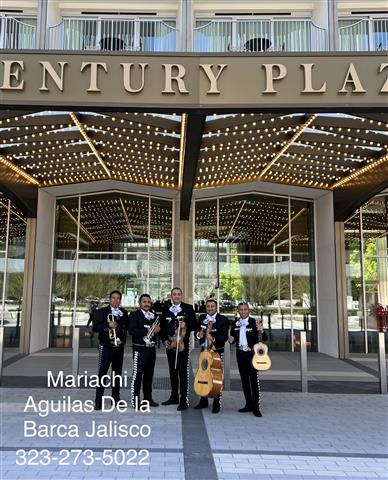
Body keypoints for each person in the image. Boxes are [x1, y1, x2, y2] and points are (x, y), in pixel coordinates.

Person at [229, 302, 267, 417]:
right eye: (241, 309)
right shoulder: (235, 323)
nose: (243, 311)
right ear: (238, 311)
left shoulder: (254, 322)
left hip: (252, 355)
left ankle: (256, 407)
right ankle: (248, 404)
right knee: (244, 381)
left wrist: (261, 330)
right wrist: (230, 339)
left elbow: (264, 338)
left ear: (248, 310)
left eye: (245, 309)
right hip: (240, 354)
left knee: (253, 381)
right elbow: (233, 339)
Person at [160, 287, 196, 411]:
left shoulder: (188, 308)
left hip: (182, 345)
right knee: (172, 371)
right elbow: (162, 328)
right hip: (170, 344)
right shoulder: (165, 309)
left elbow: (195, 326)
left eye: (179, 294)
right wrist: (164, 339)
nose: (176, 296)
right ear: (171, 296)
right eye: (174, 294)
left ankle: (183, 399)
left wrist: (186, 325)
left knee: (183, 372)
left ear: (182, 296)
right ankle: (174, 396)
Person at [93, 290, 128, 410]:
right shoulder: (101, 312)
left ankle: (115, 399)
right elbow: (95, 328)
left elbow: (126, 328)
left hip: (119, 347)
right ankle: (98, 401)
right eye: (113, 298)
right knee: (102, 374)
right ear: (109, 299)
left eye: (118, 298)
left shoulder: (123, 312)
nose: (116, 300)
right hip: (106, 347)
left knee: (117, 374)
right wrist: (108, 326)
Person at [194, 298, 229, 414]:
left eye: (212, 306)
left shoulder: (223, 319)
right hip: (204, 352)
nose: (210, 308)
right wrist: (199, 335)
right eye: (208, 306)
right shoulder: (201, 318)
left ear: (216, 307)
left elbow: (224, 337)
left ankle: (216, 403)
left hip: (217, 353)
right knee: (203, 374)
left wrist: (212, 338)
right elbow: (197, 333)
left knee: (217, 378)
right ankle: (203, 401)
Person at [128, 294, 161, 408]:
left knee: (149, 376)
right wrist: (148, 330)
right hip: (139, 349)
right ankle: (135, 400)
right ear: (139, 303)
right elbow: (132, 331)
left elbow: (158, 332)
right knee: (137, 375)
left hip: (151, 350)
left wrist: (158, 330)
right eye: (144, 302)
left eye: (148, 302)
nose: (146, 304)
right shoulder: (134, 315)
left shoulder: (154, 316)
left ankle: (148, 398)